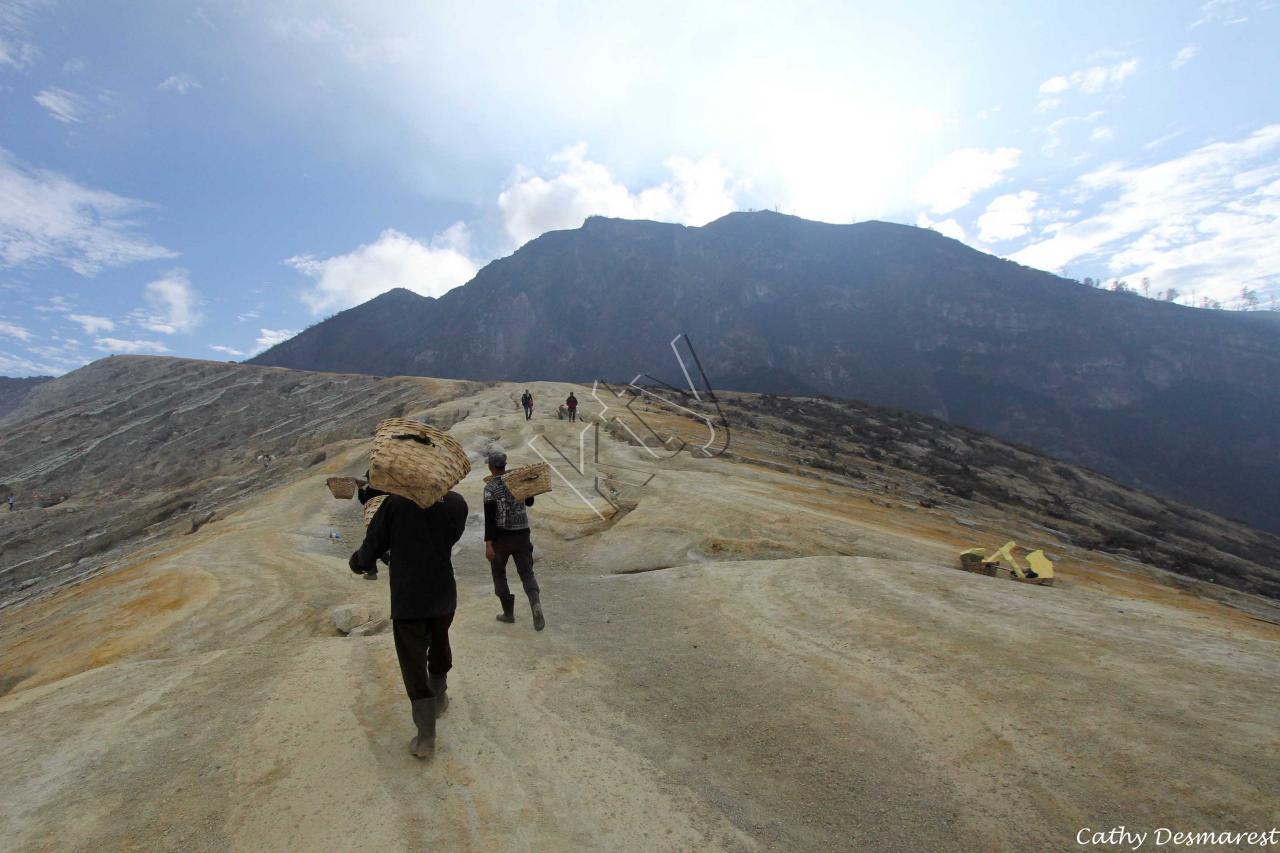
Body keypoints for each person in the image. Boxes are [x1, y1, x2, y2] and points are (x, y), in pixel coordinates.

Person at [350, 487, 468, 758]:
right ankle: (440, 697)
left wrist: (357, 562)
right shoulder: (455, 502)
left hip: (409, 598)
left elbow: (373, 547)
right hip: (443, 593)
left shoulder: (394, 504)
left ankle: (426, 736)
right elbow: (451, 536)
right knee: (440, 641)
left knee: (413, 660)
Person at [483, 450, 544, 630]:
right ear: (504, 465)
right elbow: (530, 502)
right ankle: (536, 605)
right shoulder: (517, 480)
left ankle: (508, 614)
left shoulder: (490, 488)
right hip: (522, 534)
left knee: (499, 573)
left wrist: (488, 544)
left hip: (501, 538)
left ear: (490, 467)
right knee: (527, 573)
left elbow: (489, 519)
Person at [354, 471, 389, 580]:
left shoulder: (370, 490)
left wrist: (360, 489)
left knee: (373, 543)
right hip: (390, 517)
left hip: (376, 520)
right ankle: (390, 562)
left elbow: (364, 500)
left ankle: (371, 571)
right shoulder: (389, 487)